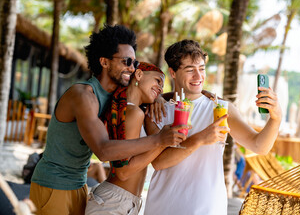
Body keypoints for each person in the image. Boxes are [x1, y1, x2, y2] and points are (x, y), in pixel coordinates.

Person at [29, 25, 186, 215]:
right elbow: (103, 150)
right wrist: (159, 140)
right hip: (54, 184)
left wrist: (160, 97)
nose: (132, 67)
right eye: (126, 61)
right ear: (104, 62)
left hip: (79, 184)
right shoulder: (84, 95)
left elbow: (144, 91)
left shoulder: (114, 97)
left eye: (135, 63)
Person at [143, 39, 282, 215]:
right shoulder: (157, 109)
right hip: (163, 207)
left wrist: (276, 118)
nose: (198, 76)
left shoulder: (221, 108)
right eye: (190, 70)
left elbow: (259, 146)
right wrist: (201, 138)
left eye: (201, 69)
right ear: (173, 72)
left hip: (207, 208)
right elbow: (159, 162)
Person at [85, 62, 170, 215]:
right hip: (113, 203)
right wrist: (162, 142)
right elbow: (123, 172)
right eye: (158, 81)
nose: (161, 88)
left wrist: (159, 97)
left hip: (120, 202)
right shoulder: (133, 113)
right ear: (138, 75)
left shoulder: (127, 109)